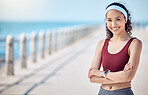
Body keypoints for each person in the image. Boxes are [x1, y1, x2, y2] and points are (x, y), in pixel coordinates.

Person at [88, 2, 142, 95]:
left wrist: (102, 73)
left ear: (125, 19)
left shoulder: (134, 44)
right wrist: (121, 77)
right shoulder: (101, 44)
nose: (113, 24)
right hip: (102, 92)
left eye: (118, 19)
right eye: (109, 20)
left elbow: (128, 76)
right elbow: (92, 77)